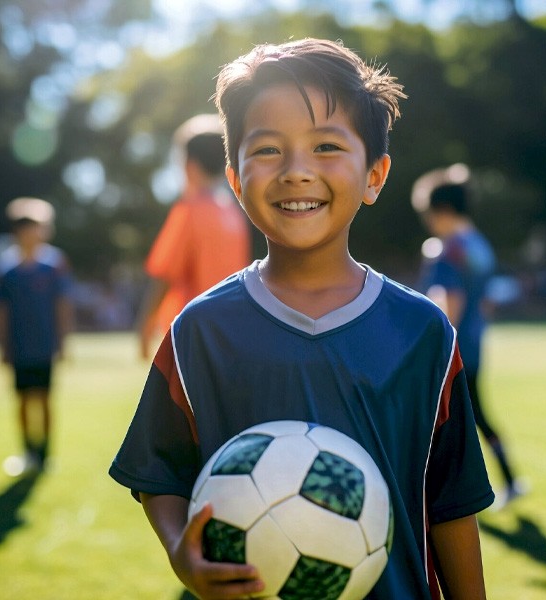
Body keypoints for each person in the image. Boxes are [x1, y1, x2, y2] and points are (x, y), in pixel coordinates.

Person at [110, 38, 493, 600]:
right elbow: (160, 473)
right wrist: (179, 550)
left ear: (375, 176)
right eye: (267, 150)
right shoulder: (199, 331)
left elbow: (453, 503)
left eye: (326, 146)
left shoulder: (423, 333)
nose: (296, 171)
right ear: (236, 178)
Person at [412, 163, 524, 509]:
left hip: (450, 353)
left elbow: (449, 306)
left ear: (442, 211)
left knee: (438, 425)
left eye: (428, 216)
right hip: (474, 346)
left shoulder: (447, 248)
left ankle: (439, 498)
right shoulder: (480, 247)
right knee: (476, 416)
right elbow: (487, 302)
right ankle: (510, 480)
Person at [136, 114, 252, 359]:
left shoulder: (189, 210)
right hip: (230, 333)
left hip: (191, 335)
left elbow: (163, 276)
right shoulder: (234, 212)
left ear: (188, 164)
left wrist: (144, 330)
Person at [0, 197, 73, 475]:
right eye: (25, 228)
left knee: (46, 398)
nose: (31, 233)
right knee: (23, 400)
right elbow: (0, 311)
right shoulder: (6, 270)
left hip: (44, 346)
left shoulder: (54, 266)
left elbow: (62, 306)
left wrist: (63, 342)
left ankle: (45, 454)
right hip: (19, 347)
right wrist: (2, 346)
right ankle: (27, 452)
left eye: (36, 227)